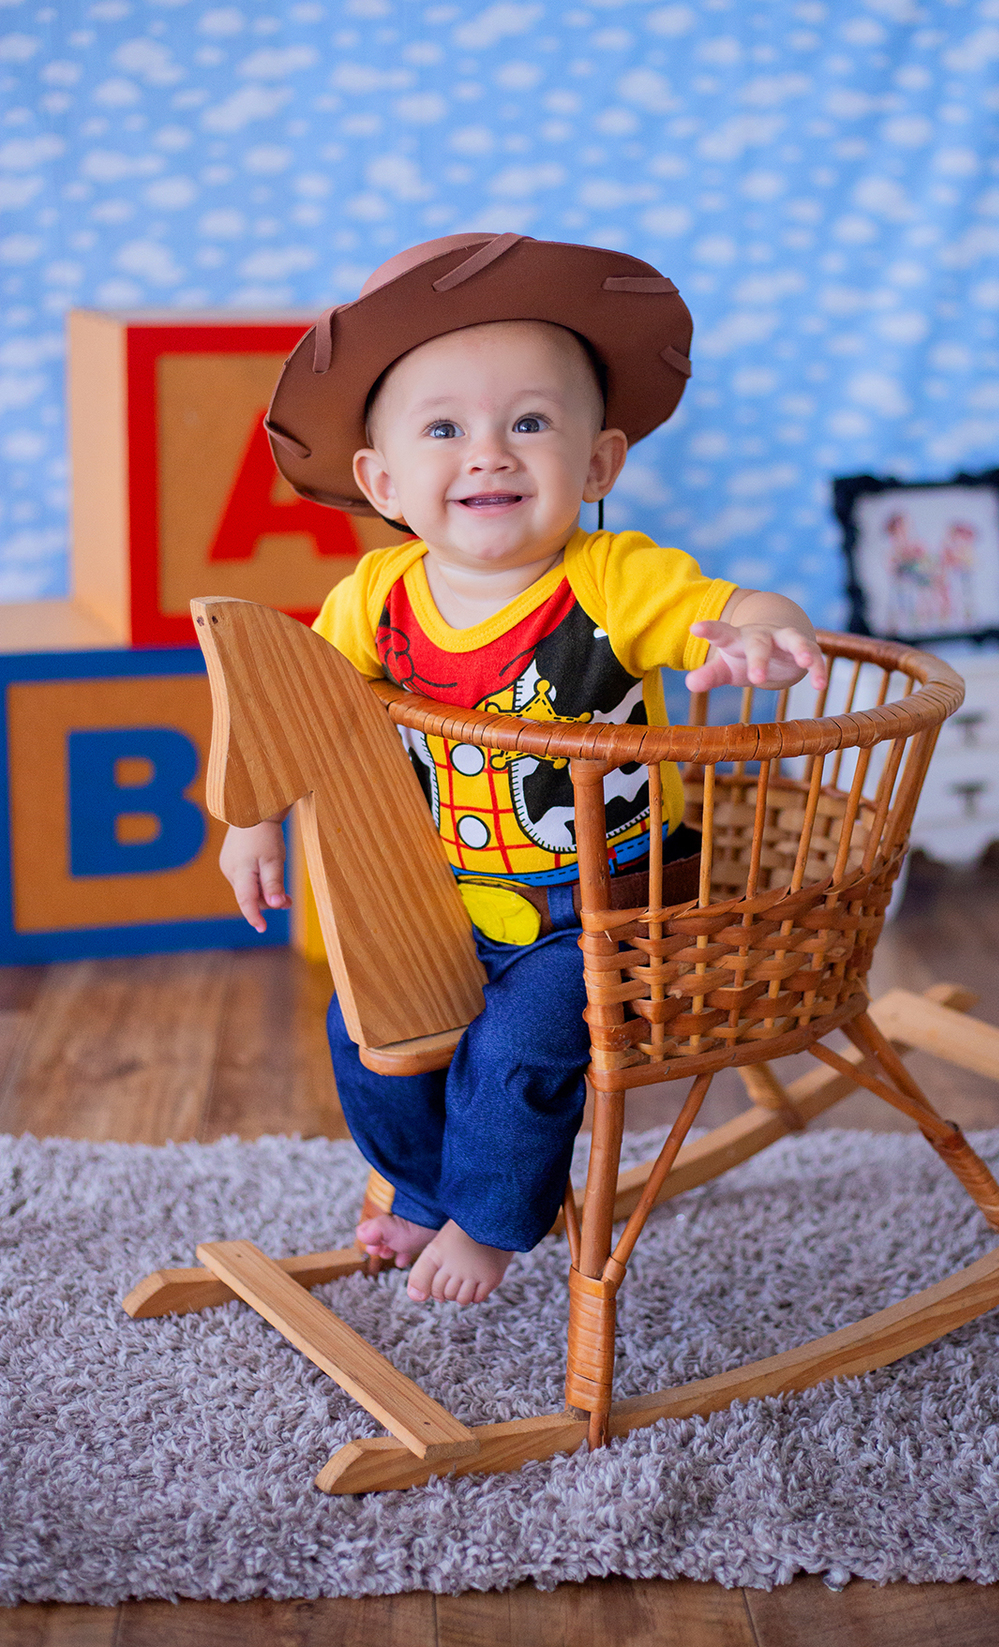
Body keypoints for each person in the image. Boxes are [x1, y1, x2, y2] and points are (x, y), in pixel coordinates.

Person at [217, 234, 826, 1309]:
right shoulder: (377, 597)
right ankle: (416, 1187)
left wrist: (763, 637)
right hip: (445, 890)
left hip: (610, 906)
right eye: (444, 429)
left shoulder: (615, 580)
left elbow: (738, 607)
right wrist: (253, 821)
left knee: (518, 1046)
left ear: (597, 466)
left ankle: (494, 1222)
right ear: (385, 480)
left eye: (530, 424)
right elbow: (292, 709)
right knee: (368, 1027)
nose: (489, 454)